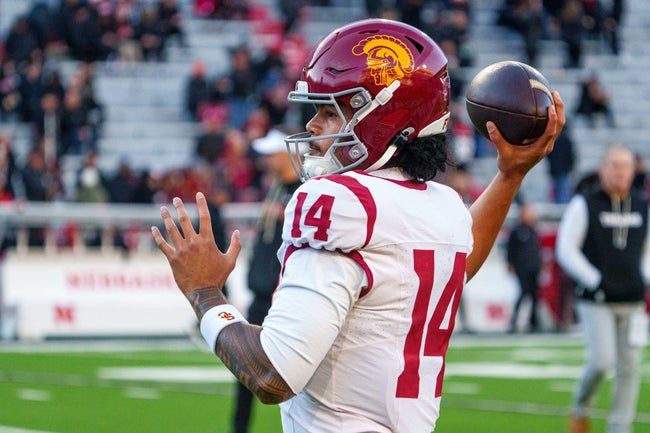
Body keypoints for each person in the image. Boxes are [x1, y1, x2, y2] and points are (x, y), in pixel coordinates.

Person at [151, 19, 564, 433]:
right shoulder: (442, 206)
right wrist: (510, 176)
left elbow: (273, 374)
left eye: (329, 112)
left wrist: (203, 294)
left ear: (382, 118)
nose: (312, 126)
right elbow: (458, 261)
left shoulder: (341, 202)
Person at [557, 144, 649, 433]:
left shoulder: (642, 205)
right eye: (615, 166)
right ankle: (581, 406)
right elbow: (566, 249)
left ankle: (620, 428)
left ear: (633, 171)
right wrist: (595, 279)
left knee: (631, 368)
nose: (621, 172)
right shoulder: (585, 202)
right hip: (596, 300)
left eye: (626, 166)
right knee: (602, 361)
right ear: (603, 169)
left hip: (632, 301)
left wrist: (642, 278)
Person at [231, 128, 302, 433]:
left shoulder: (301, 192)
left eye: (270, 155)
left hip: (279, 298)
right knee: (245, 372)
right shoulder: (276, 189)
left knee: (290, 375)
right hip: (261, 295)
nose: (266, 162)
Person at [507, 202, 542, 333]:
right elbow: (510, 249)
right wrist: (510, 264)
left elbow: (537, 250)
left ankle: (534, 322)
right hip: (522, 268)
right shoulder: (516, 231)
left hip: (534, 267)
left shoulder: (534, 230)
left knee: (534, 295)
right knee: (523, 293)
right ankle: (514, 321)